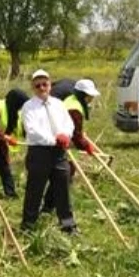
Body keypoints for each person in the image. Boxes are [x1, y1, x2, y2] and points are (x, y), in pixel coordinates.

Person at [19, 69, 77, 235]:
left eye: (44, 84)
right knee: (34, 189)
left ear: (50, 85)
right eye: (37, 85)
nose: (42, 88)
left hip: (59, 152)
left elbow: (69, 123)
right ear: (33, 87)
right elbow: (32, 130)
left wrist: (66, 135)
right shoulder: (28, 107)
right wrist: (54, 140)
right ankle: (28, 225)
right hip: (39, 153)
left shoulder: (58, 104)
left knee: (62, 187)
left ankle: (68, 224)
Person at [44, 78, 102, 211]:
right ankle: (52, 207)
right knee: (63, 175)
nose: (91, 99)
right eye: (90, 96)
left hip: (60, 140)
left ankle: (49, 206)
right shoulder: (74, 108)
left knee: (61, 176)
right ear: (84, 95)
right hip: (58, 142)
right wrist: (86, 146)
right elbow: (75, 135)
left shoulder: (72, 100)